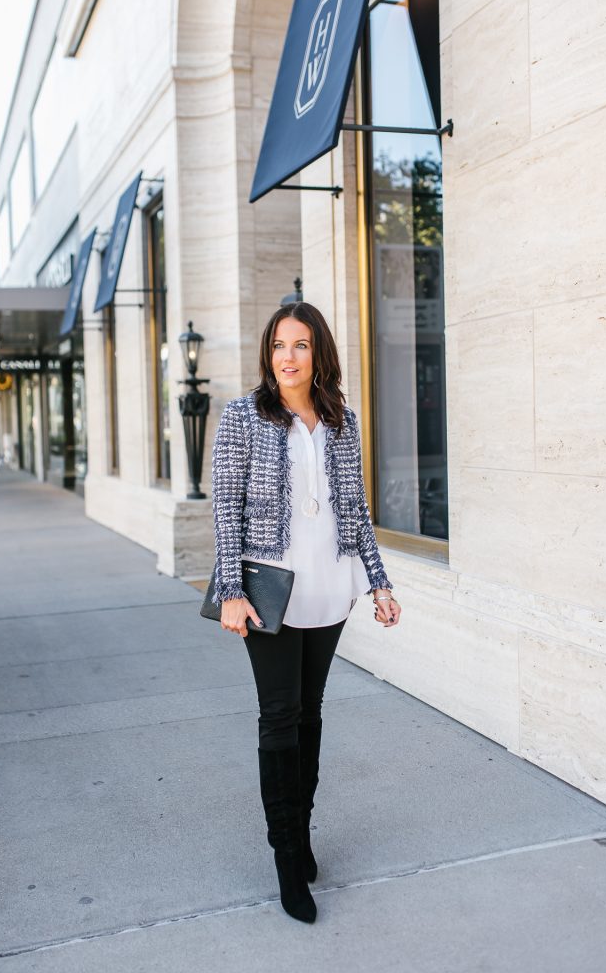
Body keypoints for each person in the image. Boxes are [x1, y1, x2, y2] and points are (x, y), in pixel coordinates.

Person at [210, 301, 401, 924]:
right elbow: (225, 508)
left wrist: (378, 583)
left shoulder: (340, 419)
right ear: (268, 354)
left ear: (318, 351)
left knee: (311, 715)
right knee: (280, 714)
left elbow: (355, 508)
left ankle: (304, 833)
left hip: (330, 587)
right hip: (267, 590)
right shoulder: (243, 416)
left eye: (299, 345)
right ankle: (288, 860)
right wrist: (231, 589)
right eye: (277, 346)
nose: (287, 357)